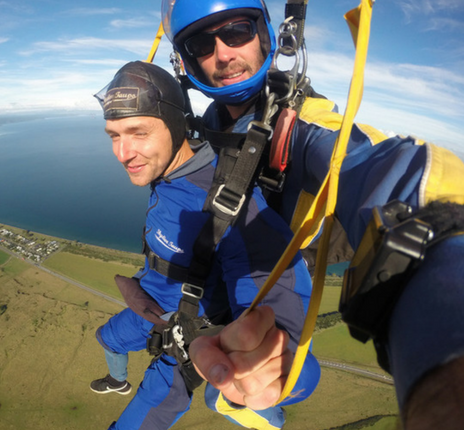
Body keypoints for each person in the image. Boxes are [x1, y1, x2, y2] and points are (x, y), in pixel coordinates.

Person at [161, 0, 464, 428]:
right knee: (221, 390)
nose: (223, 54)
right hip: (236, 269)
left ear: (267, 35)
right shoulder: (212, 124)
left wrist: (446, 291)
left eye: (236, 31)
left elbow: (378, 170)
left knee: (233, 395)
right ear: (186, 61)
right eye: (200, 44)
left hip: (281, 275)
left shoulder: (302, 126)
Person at [90, 60, 320, 429]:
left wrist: (283, 370)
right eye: (114, 135)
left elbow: (275, 282)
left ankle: (268, 418)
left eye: (137, 132)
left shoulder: (225, 202)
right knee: (107, 338)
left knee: (147, 413)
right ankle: (118, 380)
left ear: (178, 125)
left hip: (189, 333)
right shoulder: (168, 172)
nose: (122, 152)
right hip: (149, 304)